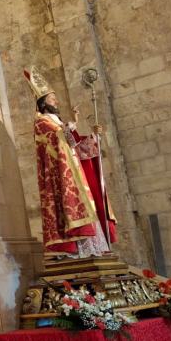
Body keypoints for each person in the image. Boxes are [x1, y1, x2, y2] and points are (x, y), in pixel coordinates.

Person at [24, 66, 117, 260]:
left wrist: (93, 136)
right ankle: (73, 249)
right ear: (43, 103)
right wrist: (71, 124)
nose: (56, 101)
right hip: (60, 177)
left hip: (76, 174)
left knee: (87, 206)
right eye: (52, 98)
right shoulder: (41, 122)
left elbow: (75, 146)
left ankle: (92, 249)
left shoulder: (57, 122)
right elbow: (56, 139)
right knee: (69, 209)